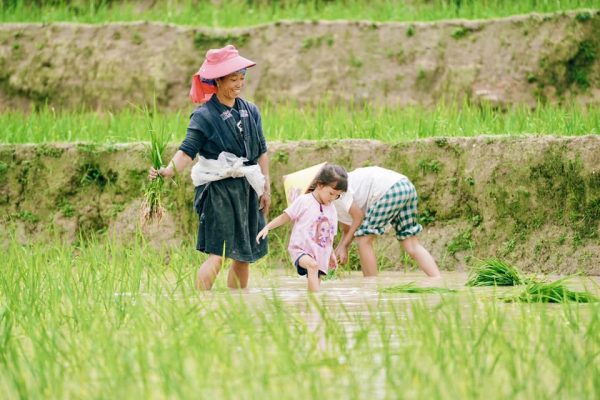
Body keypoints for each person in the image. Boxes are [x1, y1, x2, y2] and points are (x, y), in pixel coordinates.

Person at [149, 44, 271, 291]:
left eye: (241, 78)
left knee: (243, 254)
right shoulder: (203, 116)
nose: (239, 84)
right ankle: (199, 303)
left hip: (247, 187)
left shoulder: (250, 111)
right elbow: (187, 152)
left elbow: (261, 151)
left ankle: (237, 305)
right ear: (217, 81)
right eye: (233, 79)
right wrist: (168, 171)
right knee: (219, 252)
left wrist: (266, 185)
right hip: (219, 191)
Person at [333, 166, 441, 277]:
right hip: (404, 185)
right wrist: (340, 247)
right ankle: (438, 280)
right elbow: (347, 229)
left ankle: (370, 288)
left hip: (389, 190)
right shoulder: (334, 191)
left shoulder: (335, 190)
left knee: (364, 240)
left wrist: (344, 247)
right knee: (411, 243)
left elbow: (358, 217)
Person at [256, 164, 348, 292]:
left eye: (337, 196)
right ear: (320, 185)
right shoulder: (304, 201)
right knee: (312, 266)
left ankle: (312, 307)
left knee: (316, 281)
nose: (333, 198)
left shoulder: (332, 209)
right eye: (331, 193)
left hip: (321, 253)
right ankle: (314, 302)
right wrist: (267, 227)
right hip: (301, 250)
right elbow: (285, 217)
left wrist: (331, 253)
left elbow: (328, 235)